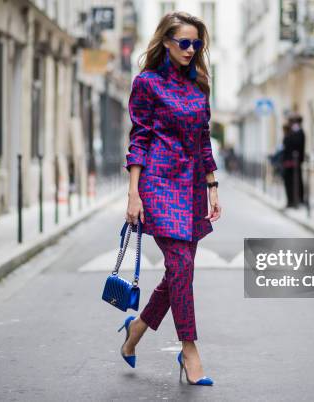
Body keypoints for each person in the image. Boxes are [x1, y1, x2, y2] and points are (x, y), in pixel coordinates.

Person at [120, 11, 220, 386]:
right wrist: (134, 194)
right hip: (158, 183)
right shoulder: (146, 83)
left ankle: (137, 329)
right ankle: (189, 350)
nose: (191, 49)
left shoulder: (199, 86)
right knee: (180, 264)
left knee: (181, 270)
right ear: (166, 42)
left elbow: (203, 138)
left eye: (197, 43)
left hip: (192, 185)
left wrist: (212, 186)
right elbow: (139, 139)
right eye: (184, 42)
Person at [282, 114, 305, 207]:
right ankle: (293, 200)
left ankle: (294, 200)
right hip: (292, 161)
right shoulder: (295, 133)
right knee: (293, 181)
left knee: (294, 181)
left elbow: (294, 146)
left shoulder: (296, 133)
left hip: (292, 162)